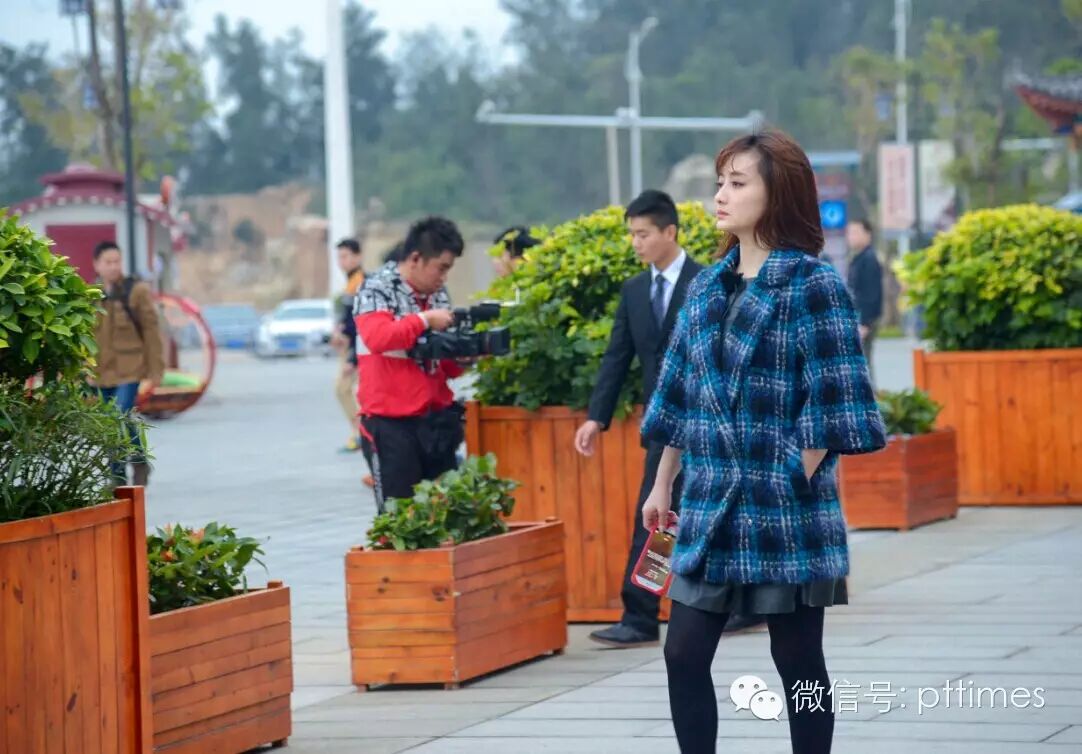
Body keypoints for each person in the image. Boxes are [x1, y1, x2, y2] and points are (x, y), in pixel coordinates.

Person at [640, 130, 885, 754]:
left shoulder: (813, 284)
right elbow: (680, 397)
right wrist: (663, 484)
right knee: (682, 653)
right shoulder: (706, 288)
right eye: (719, 183)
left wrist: (791, 473)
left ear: (777, 192)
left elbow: (837, 403)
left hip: (784, 509)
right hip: (708, 502)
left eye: (737, 182)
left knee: (797, 660)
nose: (720, 196)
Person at [571, 190, 704, 648]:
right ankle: (642, 615)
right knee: (654, 517)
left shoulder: (706, 282)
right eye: (631, 234)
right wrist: (596, 418)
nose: (636, 242)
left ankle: (742, 606)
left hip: (710, 422)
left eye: (643, 234)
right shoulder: (633, 291)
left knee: (714, 515)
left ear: (670, 231)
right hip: (664, 426)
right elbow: (617, 357)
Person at [354, 217, 467, 512]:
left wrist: (465, 356)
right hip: (390, 425)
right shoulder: (376, 288)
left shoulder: (437, 294)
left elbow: (445, 365)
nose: (444, 277)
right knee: (400, 519)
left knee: (446, 515)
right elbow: (378, 337)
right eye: (441, 268)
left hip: (435, 422)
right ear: (416, 258)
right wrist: (424, 320)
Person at [90, 240, 165, 487]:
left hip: (129, 369)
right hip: (101, 371)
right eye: (108, 262)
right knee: (111, 421)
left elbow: (151, 331)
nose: (113, 267)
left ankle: (123, 470)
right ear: (97, 264)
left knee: (119, 415)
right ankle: (130, 466)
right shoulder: (90, 295)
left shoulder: (136, 291)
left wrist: (156, 370)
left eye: (117, 261)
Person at [331, 238, 367, 454]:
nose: (341, 261)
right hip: (350, 347)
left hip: (357, 349)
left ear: (358, 257)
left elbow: (359, 325)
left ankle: (362, 433)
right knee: (346, 390)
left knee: (344, 389)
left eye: (345, 256)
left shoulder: (360, 283)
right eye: (339, 257)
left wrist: (353, 358)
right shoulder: (351, 283)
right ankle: (359, 432)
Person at [845, 218, 884, 387]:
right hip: (858, 318)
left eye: (856, 232)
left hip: (864, 320)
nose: (851, 237)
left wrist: (865, 323)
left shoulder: (869, 259)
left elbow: (871, 294)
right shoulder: (858, 258)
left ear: (868, 235)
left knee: (863, 363)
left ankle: (869, 399)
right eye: (849, 233)